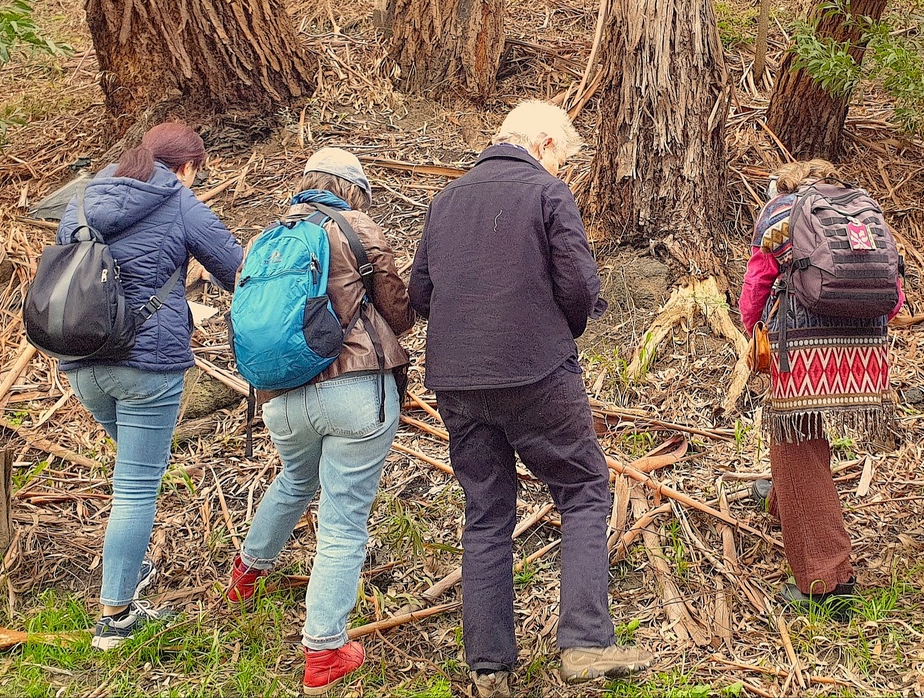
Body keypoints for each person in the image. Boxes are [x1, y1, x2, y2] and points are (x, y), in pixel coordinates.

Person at [409, 100, 652, 697]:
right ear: (543, 144)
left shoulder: (446, 201)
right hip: (535, 370)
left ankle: (489, 666)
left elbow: (419, 293)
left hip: (457, 381)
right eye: (561, 158)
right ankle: (585, 643)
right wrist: (557, 330)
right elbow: (578, 284)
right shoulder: (546, 194)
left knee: (487, 511)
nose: (562, 170)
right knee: (583, 488)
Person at [223, 148, 415, 694]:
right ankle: (325, 650)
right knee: (343, 518)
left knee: (295, 480)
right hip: (356, 394)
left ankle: (247, 574)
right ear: (352, 188)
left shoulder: (267, 237)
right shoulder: (355, 227)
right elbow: (398, 310)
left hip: (281, 397)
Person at [56, 122, 244, 649]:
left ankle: (126, 578)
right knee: (137, 486)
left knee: (132, 474)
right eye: (196, 174)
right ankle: (115, 617)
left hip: (79, 360)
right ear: (185, 167)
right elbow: (236, 269)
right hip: (147, 365)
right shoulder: (178, 200)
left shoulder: (86, 198)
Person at [737, 158, 900, 618]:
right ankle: (781, 499)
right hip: (865, 344)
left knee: (797, 445)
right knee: (799, 449)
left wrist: (755, 332)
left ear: (783, 185)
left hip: (804, 347)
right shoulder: (862, 209)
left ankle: (827, 583)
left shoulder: (779, 212)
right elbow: (894, 287)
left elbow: (757, 283)